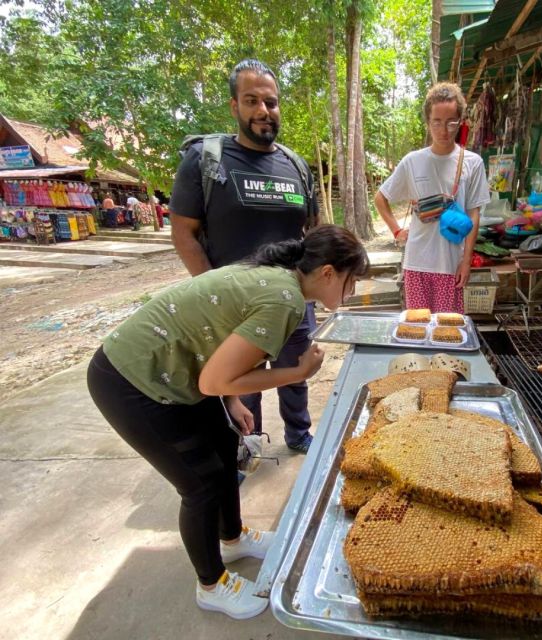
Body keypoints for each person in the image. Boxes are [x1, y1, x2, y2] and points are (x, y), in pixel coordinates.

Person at [87, 225, 369, 620]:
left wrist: (232, 399)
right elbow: (213, 379)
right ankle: (212, 584)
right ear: (327, 273)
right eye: (351, 281)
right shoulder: (284, 299)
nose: (352, 291)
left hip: (174, 371)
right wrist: (296, 372)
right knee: (200, 484)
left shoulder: (280, 280)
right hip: (133, 379)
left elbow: (220, 344)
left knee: (224, 447)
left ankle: (232, 539)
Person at [170, 58, 319, 453]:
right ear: (234, 106)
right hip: (234, 303)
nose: (263, 111)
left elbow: (313, 231)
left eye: (270, 102)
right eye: (251, 101)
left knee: (294, 373)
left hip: (292, 299)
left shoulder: (295, 166)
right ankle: (244, 446)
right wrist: (210, 295)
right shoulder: (205, 161)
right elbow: (184, 233)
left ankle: (299, 435)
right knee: (239, 380)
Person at [374, 82, 490, 313]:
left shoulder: (473, 162)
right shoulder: (412, 161)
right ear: (428, 122)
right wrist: (396, 230)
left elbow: (473, 214)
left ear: (460, 121)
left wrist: (466, 261)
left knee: (449, 332)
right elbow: (380, 198)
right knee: (418, 330)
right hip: (416, 263)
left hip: (451, 264)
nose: (444, 130)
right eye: (437, 122)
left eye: (451, 122)